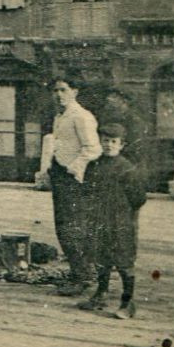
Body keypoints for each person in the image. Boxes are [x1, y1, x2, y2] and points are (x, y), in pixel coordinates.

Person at [78, 124, 146, 319]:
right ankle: (100, 294)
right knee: (101, 259)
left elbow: (138, 198)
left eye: (113, 142)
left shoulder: (127, 169)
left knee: (124, 262)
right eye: (105, 140)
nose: (109, 145)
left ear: (122, 145)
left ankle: (127, 302)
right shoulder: (93, 165)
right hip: (99, 221)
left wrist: (124, 215)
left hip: (121, 223)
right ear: (100, 141)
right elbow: (87, 192)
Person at [45, 75, 102, 296]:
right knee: (63, 227)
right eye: (55, 91)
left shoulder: (82, 116)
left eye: (63, 90)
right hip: (60, 175)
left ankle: (83, 277)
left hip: (74, 179)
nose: (59, 95)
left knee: (73, 228)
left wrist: (73, 168)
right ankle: (78, 272)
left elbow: (93, 149)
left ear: (75, 91)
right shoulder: (60, 116)